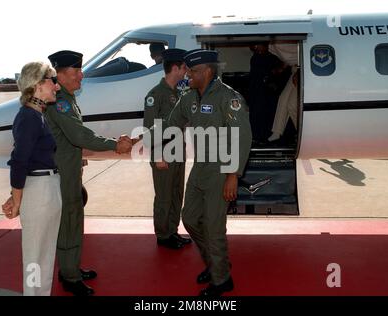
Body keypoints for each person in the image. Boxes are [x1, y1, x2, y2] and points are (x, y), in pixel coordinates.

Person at [45, 50, 132, 296]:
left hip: (69, 168)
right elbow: (79, 135)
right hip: (63, 172)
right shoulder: (60, 101)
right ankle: (69, 276)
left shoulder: (67, 97)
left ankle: (71, 266)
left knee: (74, 220)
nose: (81, 76)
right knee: (69, 222)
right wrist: (115, 144)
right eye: (76, 72)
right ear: (60, 74)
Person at [166, 50, 252, 296]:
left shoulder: (229, 98)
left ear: (207, 72)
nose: (187, 76)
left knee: (214, 228)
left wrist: (233, 174)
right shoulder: (189, 97)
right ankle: (217, 263)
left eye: (192, 72)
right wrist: (139, 139)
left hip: (221, 170)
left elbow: (242, 137)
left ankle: (222, 280)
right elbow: (171, 124)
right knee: (190, 219)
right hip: (200, 167)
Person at [1, 61, 61, 296]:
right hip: (39, 193)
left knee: (45, 255)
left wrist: (15, 195)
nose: (56, 87)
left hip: (46, 188)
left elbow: (28, 160)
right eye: (52, 81)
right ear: (37, 85)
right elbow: (19, 161)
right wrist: (16, 201)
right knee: (36, 257)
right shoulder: (28, 118)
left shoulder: (37, 116)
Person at [143, 48, 192, 250]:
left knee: (176, 194)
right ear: (175, 68)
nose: (186, 71)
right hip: (164, 154)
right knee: (163, 197)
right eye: (184, 67)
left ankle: (172, 231)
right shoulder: (155, 95)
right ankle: (163, 235)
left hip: (178, 152)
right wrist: (157, 156)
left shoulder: (178, 93)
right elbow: (149, 130)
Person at [247, 42, 285, 143]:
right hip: (257, 91)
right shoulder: (255, 58)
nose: (256, 48)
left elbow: (281, 70)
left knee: (270, 114)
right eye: (255, 47)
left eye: (258, 46)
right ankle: (256, 137)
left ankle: (267, 137)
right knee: (256, 113)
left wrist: (274, 74)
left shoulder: (275, 57)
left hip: (271, 92)